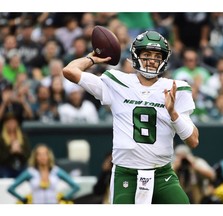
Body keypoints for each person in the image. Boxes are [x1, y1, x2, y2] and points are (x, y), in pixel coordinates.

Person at [62, 30, 199, 204]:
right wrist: (92, 59)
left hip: (161, 174)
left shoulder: (175, 88)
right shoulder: (117, 82)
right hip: (126, 173)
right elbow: (69, 71)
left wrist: (173, 113)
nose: (151, 60)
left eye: (157, 55)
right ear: (136, 56)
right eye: (147, 54)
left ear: (164, 59)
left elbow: (193, 141)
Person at [7, 143, 80, 204]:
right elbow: (11, 188)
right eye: (39, 155)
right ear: (35, 157)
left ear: (49, 156)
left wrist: (65, 198)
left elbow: (76, 187)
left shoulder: (56, 171)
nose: (42, 157)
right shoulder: (30, 172)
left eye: (45, 154)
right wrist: (23, 199)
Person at [0, 113, 31, 178]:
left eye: (13, 122)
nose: (11, 124)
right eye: (9, 122)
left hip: (21, 165)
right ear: (5, 124)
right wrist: (10, 151)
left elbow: (28, 154)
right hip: (5, 166)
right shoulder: (1, 139)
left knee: (26, 174)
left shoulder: (23, 137)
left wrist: (20, 151)